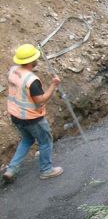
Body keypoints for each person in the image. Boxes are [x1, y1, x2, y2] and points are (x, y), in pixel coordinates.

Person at [3, 44, 63, 182]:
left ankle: (11, 169)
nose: (37, 60)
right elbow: (40, 101)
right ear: (30, 61)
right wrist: (54, 85)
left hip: (16, 116)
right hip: (32, 118)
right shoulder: (31, 80)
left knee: (27, 140)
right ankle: (46, 170)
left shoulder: (13, 70)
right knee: (45, 141)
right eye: (35, 58)